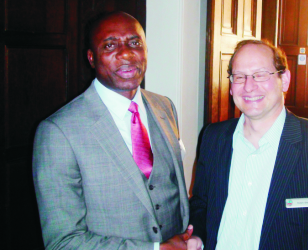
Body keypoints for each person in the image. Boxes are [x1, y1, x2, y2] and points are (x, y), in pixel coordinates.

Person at [33, 12, 193, 250]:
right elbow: (63, 241)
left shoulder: (165, 106)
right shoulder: (58, 132)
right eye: (109, 45)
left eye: (135, 43)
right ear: (91, 58)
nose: (126, 53)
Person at [187, 40, 308, 250]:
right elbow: (201, 203)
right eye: (239, 76)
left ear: (284, 80)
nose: (249, 86)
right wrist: (197, 235)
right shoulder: (213, 137)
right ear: (231, 86)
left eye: (260, 74)